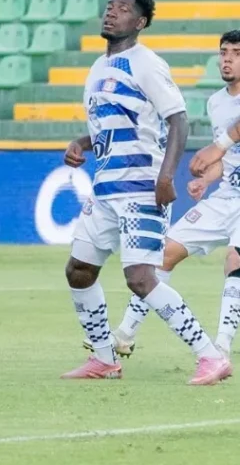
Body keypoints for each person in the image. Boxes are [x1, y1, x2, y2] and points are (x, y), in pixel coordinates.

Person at [61, 0, 230, 385]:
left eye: (122, 8)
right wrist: (82, 143)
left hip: (141, 187)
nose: (111, 12)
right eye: (109, 6)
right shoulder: (98, 68)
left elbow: (178, 120)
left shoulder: (146, 63)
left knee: (139, 277)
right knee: (79, 270)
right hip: (105, 188)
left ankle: (210, 355)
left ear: (139, 22)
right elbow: (117, 127)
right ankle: (104, 359)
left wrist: (166, 175)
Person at [97, 30, 240, 358]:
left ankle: (221, 345)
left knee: (235, 257)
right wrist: (207, 179)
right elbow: (226, 159)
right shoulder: (216, 102)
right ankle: (126, 333)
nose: (228, 58)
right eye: (224, 51)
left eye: (236, 52)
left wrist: (217, 147)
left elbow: (224, 144)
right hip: (229, 196)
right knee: (163, 254)